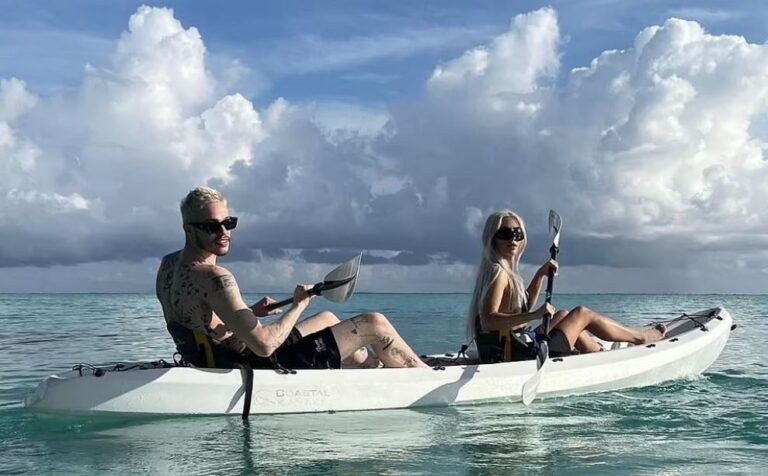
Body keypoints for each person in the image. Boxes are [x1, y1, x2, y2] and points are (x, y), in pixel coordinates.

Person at [156, 186, 427, 369]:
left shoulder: (168, 265)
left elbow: (205, 329)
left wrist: (250, 313)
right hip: (258, 363)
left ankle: (371, 370)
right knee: (374, 323)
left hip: (214, 357)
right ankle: (421, 376)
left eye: (229, 223)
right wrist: (298, 305)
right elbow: (264, 346)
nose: (224, 232)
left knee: (328, 319)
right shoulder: (216, 277)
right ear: (188, 230)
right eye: (212, 227)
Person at [466, 210, 666, 363]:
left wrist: (540, 274)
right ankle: (639, 338)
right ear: (492, 237)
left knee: (562, 315)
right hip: (514, 355)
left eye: (517, 234)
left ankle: (597, 354)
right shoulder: (498, 272)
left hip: (514, 346)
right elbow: (488, 321)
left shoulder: (500, 270)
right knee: (582, 314)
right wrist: (535, 315)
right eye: (505, 233)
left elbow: (522, 308)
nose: (512, 239)